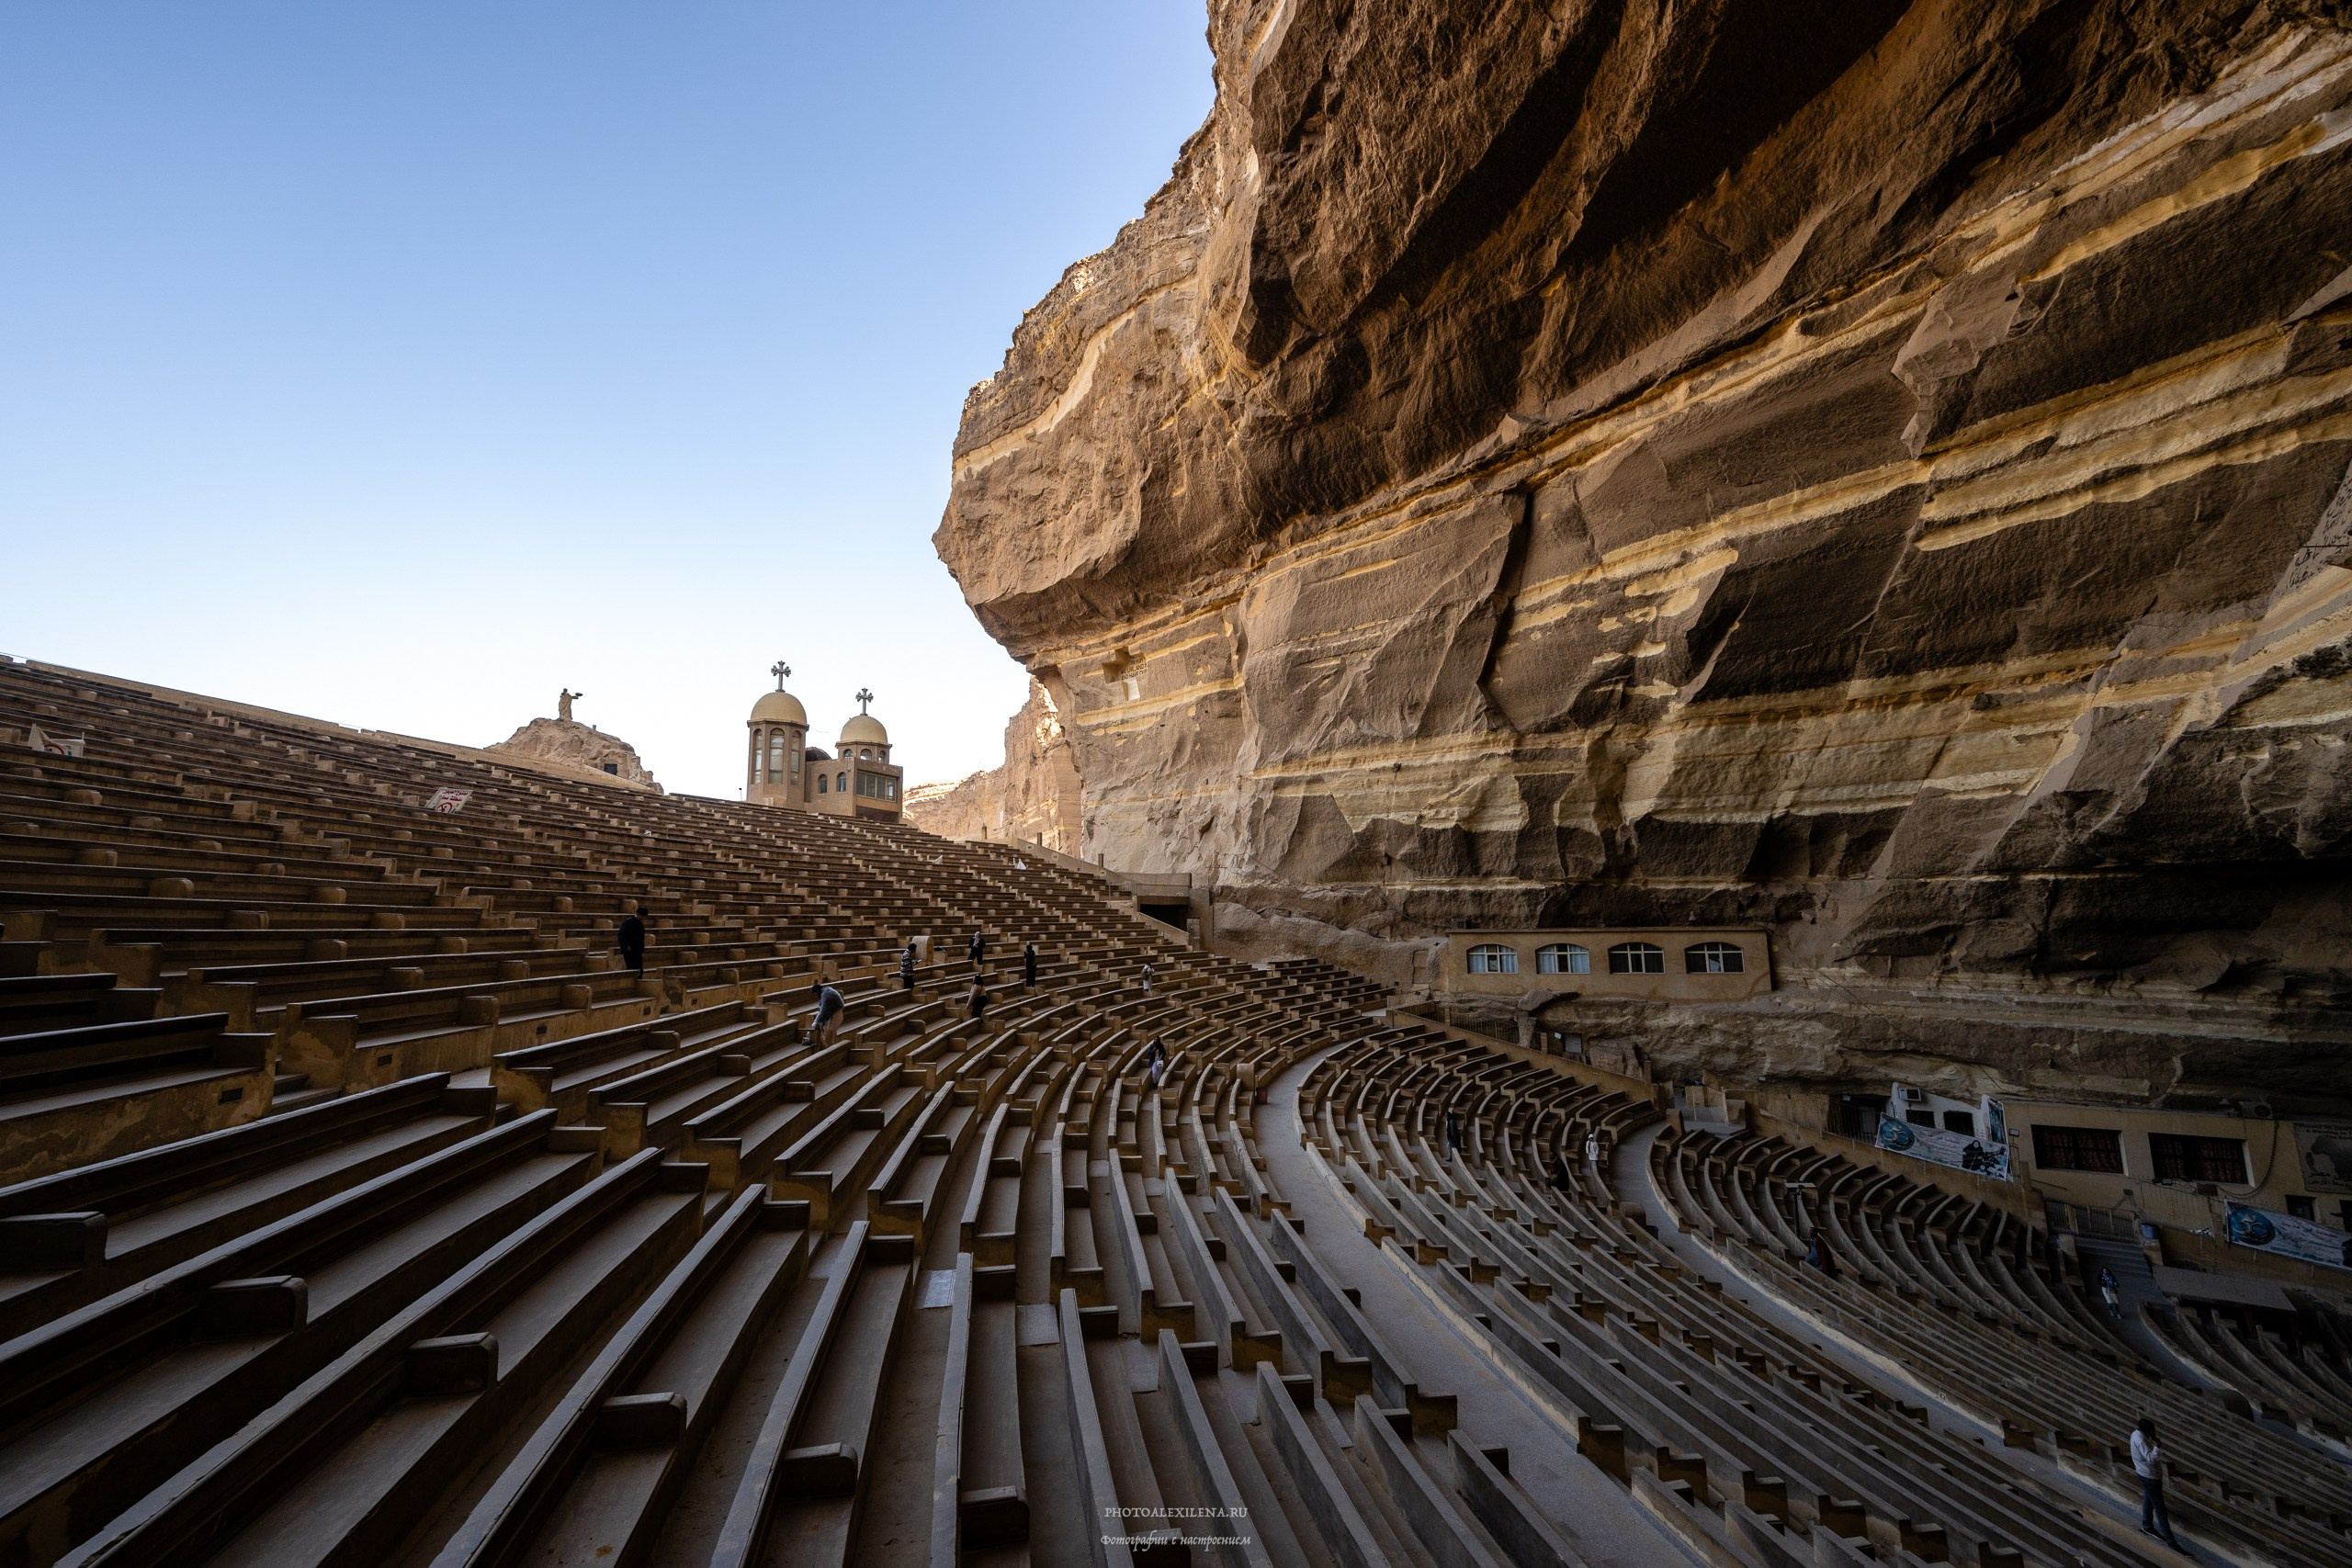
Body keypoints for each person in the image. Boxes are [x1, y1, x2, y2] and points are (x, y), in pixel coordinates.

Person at [2131, 1417, 2180, 1547]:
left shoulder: (2135, 1434)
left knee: (2149, 1498)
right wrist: (2158, 1446)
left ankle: (2147, 1525)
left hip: (2145, 1474)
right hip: (2149, 1476)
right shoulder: (2141, 1440)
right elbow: (2150, 1459)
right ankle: (2171, 1541)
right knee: (2160, 1509)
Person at [617, 906, 647, 976]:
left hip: (637, 950)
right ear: (637, 913)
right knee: (631, 969)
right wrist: (626, 946)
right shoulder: (628, 922)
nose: (642, 918)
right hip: (630, 950)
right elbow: (621, 935)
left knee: (639, 970)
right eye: (641, 916)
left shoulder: (640, 924)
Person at [812, 982, 844, 1048]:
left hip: (837, 1012)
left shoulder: (826, 994)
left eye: (815, 993)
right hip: (834, 1012)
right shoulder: (825, 992)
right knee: (828, 1030)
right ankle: (830, 1046)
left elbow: (824, 1010)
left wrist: (817, 1022)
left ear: (817, 991)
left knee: (830, 1030)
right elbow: (821, 1009)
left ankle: (829, 1048)